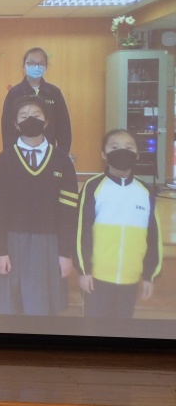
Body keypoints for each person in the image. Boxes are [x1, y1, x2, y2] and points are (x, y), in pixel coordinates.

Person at [0, 95, 78, 316]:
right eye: (23, 116)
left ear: (46, 121)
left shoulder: (62, 160)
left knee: (43, 310)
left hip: (49, 243)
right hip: (12, 242)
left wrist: (65, 253)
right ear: (15, 123)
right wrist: (0, 251)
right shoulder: (5, 159)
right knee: (11, 310)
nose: (30, 119)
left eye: (36, 115)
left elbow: (69, 211)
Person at [75, 129, 162, 318]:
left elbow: (153, 236)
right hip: (96, 278)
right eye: (114, 147)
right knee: (94, 329)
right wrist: (84, 271)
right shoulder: (92, 187)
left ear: (137, 154)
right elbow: (81, 231)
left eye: (129, 147)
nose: (122, 151)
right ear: (103, 154)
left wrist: (149, 275)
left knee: (122, 329)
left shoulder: (145, 191)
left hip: (131, 280)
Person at [1, 47, 72, 154]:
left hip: (49, 151)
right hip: (20, 152)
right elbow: (7, 127)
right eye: (31, 63)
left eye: (40, 63)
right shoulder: (14, 93)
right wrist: (9, 154)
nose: (36, 67)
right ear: (24, 66)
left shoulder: (54, 92)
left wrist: (62, 154)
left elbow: (64, 126)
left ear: (46, 66)